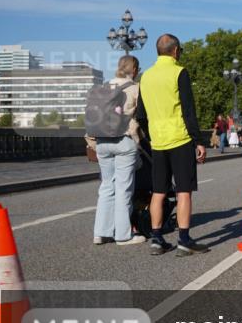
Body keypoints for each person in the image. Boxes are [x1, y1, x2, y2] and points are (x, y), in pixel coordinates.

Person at [134, 34, 210, 257]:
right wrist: (199, 141)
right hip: (180, 139)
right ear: (175, 50)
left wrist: (153, 135)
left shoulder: (145, 76)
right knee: (183, 191)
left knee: (158, 191)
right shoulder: (179, 72)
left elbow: (140, 115)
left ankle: (157, 239)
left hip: (158, 142)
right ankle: (184, 240)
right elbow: (188, 111)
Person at [89, 55, 145, 246]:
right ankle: (123, 235)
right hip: (123, 140)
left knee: (106, 187)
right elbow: (142, 116)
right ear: (134, 69)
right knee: (123, 189)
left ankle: (101, 233)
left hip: (102, 142)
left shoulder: (104, 86)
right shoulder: (135, 88)